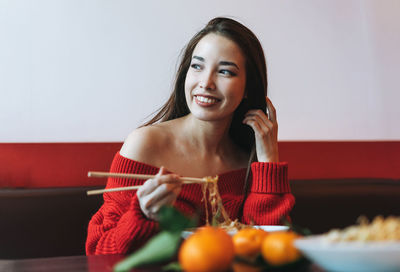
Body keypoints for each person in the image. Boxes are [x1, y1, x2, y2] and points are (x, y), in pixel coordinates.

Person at [86, 17, 295, 255]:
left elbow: (268, 250)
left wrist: (268, 160)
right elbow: (99, 252)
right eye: (197, 66)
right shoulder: (145, 144)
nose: (206, 83)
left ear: (248, 87)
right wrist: (143, 215)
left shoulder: (248, 159)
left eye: (225, 71)